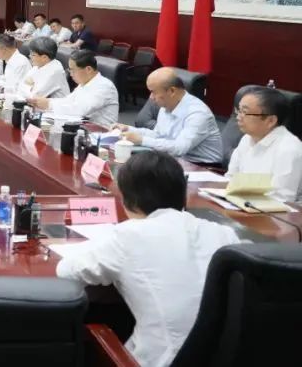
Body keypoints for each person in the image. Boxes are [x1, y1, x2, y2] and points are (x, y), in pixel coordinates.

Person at [57, 150, 241, 367]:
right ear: (182, 193)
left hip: (164, 360)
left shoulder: (129, 235)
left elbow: (66, 272)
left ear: (128, 200)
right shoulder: (225, 234)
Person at [114, 68, 222, 165]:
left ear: (172, 91)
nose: (151, 97)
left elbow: (179, 148)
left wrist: (141, 140)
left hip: (203, 167)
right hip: (176, 160)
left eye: (153, 92)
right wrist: (129, 129)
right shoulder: (166, 106)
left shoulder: (198, 113)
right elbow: (158, 135)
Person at [228, 87, 302, 202]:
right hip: (241, 204)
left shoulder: (289, 149)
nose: (238, 117)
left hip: (276, 211)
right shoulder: (247, 139)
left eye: (245, 112)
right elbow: (230, 179)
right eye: (238, 110)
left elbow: (281, 199)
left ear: (271, 121)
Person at [28, 50, 119, 126]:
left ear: (88, 69)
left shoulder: (104, 86)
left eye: (73, 70)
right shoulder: (84, 83)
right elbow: (68, 101)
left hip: (100, 133)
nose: (70, 74)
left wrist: (49, 104)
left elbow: (81, 109)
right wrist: (46, 102)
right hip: (82, 127)